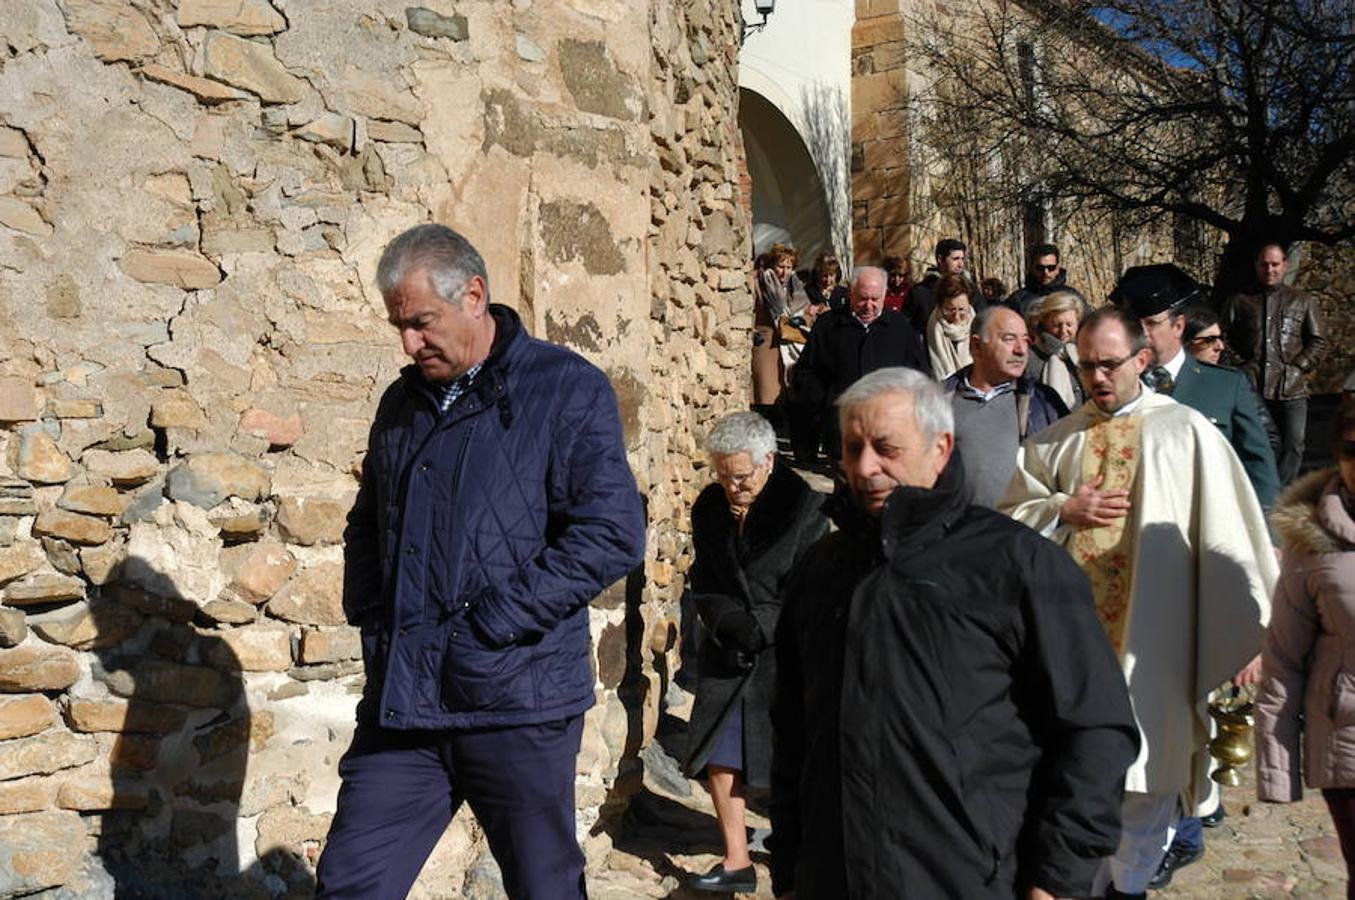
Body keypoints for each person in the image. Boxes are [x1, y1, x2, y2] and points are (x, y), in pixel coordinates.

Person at [316, 224, 646, 899]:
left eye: (421, 323)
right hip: (404, 704)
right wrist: (374, 619)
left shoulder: (564, 388)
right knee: (351, 883)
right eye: (398, 327)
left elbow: (611, 532)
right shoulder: (401, 403)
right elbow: (366, 526)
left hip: (516, 700)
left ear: (473, 295)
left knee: (542, 887)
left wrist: (491, 624)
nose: (409, 343)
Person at [770, 367, 1139, 899]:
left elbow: (1096, 727)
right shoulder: (821, 571)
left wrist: (1058, 879)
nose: (866, 466)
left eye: (885, 447)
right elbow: (791, 732)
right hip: (835, 876)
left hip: (971, 877)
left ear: (940, 448)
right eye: (852, 448)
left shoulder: (1016, 565)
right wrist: (789, 870)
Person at [1001, 307, 1278, 899]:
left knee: (1147, 775)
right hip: (1069, 653)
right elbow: (1007, 526)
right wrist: (1061, 510)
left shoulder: (1186, 434)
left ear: (1143, 360)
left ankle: (1127, 888)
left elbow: (1227, 537)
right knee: (1071, 780)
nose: (1097, 377)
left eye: (1109, 364)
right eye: (1086, 366)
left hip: (1155, 648)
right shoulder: (1055, 440)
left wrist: (1244, 635)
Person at [682, 412, 829, 894]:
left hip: (782, 652)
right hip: (729, 646)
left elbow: (808, 589)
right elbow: (704, 576)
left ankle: (798, 852)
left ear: (768, 462)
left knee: (787, 758)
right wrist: (726, 620)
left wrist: (760, 626)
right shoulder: (709, 508)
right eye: (723, 475)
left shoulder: (806, 510)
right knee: (720, 754)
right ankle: (736, 860)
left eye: (741, 476)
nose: (732, 486)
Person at [1256, 398, 1355, 900]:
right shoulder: (1312, 537)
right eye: (1352, 449)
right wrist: (1276, 767)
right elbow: (1284, 658)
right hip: (1348, 738)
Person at [1121, 263, 1281, 515]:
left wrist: (1269, 536)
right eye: (1134, 325)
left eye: (1151, 323)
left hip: (1214, 522)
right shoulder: (1119, 387)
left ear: (1178, 327)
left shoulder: (1226, 385)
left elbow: (1259, 467)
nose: (1142, 333)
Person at [790, 267, 928, 461]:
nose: (869, 305)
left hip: (889, 434)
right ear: (850, 294)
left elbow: (919, 377)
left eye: (875, 299)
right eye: (863, 298)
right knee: (847, 488)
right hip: (842, 433)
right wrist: (827, 403)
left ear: (884, 295)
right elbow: (806, 372)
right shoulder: (828, 326)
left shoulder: (901, 328)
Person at [1224, 242, 1328, 482]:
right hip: (1253, 387)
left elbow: (1318, 340)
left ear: (1285, 265)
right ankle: (1264, 487)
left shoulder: (1303, 301)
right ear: (1256, 266)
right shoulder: (1240, 300)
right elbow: (1222, 338)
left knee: (1294, 443)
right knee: (1259, 442)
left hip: (1291, 388)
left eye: (1274, 264)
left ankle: (1282, 491)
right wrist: (1241, 365)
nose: (1269, 269)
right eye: (1264, 264)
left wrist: (1298, 366)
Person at [943, 306, 1066, 509]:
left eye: (1025, 340)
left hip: (1025, 534)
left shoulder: (1044, 403)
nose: (1021, 350)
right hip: (958, 535)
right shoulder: (939, 401)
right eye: (1009, 339)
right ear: (976, 346)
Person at [752, 244, 811, 410]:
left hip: (790, 343)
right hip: (767, 345)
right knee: (767, 394)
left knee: (787, 394)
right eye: (780, 266)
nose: (784, 272)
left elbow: (805, 311)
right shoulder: (760, 283)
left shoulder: (794, 286)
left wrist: (802, 320)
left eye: (789, 267)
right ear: (772, 265)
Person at [905, 238, 981, 335]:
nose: (961, 264)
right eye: (955, 259)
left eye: (962, 259)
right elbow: (910, 329)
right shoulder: (920, 292)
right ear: (940, 260)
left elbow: (983, 320)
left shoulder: (971, 290)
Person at [1025, 290, 1085, 410]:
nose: (1063, 331)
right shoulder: (1030, 357)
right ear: (1044, 323)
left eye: (1069, 324)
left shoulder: (1083, 354)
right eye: (1057, 325)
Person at [1005, 243, 1087, 317]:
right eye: (1040, 268)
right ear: (1031, 268)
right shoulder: (1018, 300)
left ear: (1058, 268)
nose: (1046, 273)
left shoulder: (1072, 296)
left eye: (1051, 268)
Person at [925, 273, 975, 380]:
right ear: (941, 306)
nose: (956, 317)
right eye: (950, 310)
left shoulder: (978, 326)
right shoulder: (934, 327)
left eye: (961, 310)